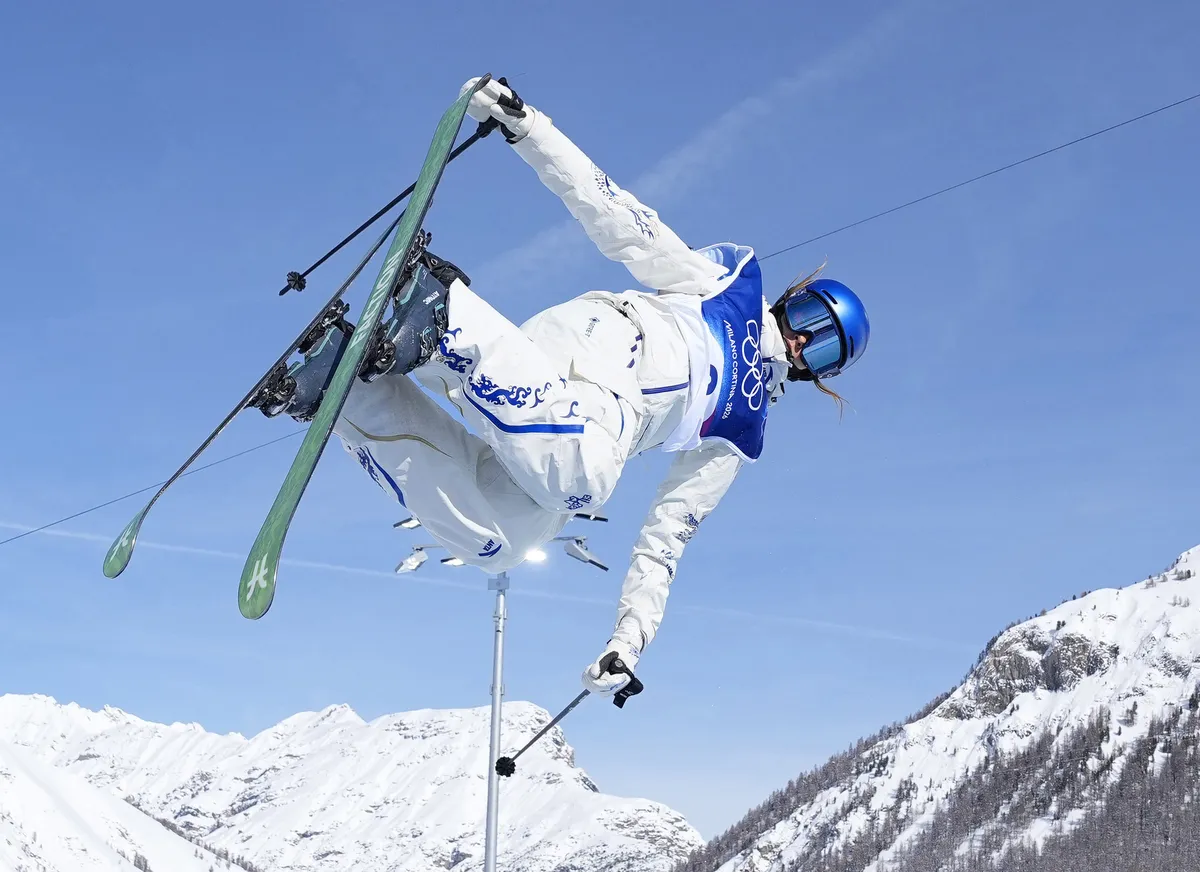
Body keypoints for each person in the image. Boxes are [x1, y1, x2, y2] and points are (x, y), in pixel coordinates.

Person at [260, 77, 870, 698]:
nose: (802, 340)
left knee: (508, 539)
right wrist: (531, 130)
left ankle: (356, 396)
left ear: (822, 376)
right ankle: (443, 317)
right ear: (794, 299)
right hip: (602, 348)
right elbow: (625, 221)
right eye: (810, 318)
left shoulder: (740, 433)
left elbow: (667, 538)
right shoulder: (731, 287)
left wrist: (626, 641)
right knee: (585, 480)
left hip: (583, 426)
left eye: (824, 348)